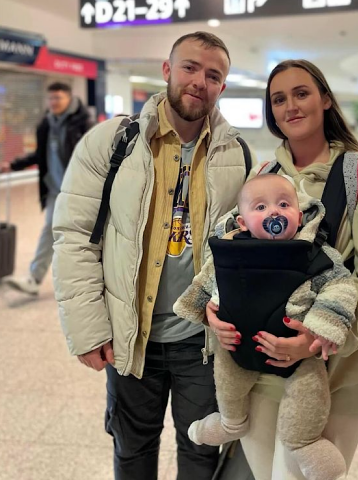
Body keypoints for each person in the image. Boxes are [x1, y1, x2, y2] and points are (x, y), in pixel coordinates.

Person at [52, 32, 254, 480]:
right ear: (167, 70)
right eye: (190, 67)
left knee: (201, 452)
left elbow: (243, 247)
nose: (199, 81)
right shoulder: (113, 142)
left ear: (222, 86)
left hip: (201, 342)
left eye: (213, 75)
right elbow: (75, 236)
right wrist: (87, 329)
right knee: (132, 450)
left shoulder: (236, 154)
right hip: (130, 336)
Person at [206, 59, 358, 480]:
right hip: (258, 368)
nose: (290, 106)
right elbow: (233, 255)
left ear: (325, 100)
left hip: (332, 375)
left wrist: (317, 338)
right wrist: (214, 310)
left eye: (301, 93)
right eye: (279, 99)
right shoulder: (263, 175)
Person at [174, 174, 357, 480]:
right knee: (227, 378)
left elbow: (340, 286)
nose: (274, 212)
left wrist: (323, 327)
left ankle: (303, 442)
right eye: (260, 207)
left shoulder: (313, 253)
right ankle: (231, 422)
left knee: (310, 390)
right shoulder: (231, 250)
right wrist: (203, 309)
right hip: (237, 345)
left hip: (299, 353)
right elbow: (208, 278)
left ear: (299, 216)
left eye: (284, 205)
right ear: (242, 222)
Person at [2, 82, 93, 295]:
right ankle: (34, 279)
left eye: (58, 98)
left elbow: (94, 155)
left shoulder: (83, 123)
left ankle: (92, 280)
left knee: (85, 234)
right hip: (54, 189)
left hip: (80, 189)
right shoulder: (46, 123)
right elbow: (39, 155)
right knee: (50, 229)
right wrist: (13, 165)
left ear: (69, 98)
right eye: (51, 98)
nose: (53, 102)